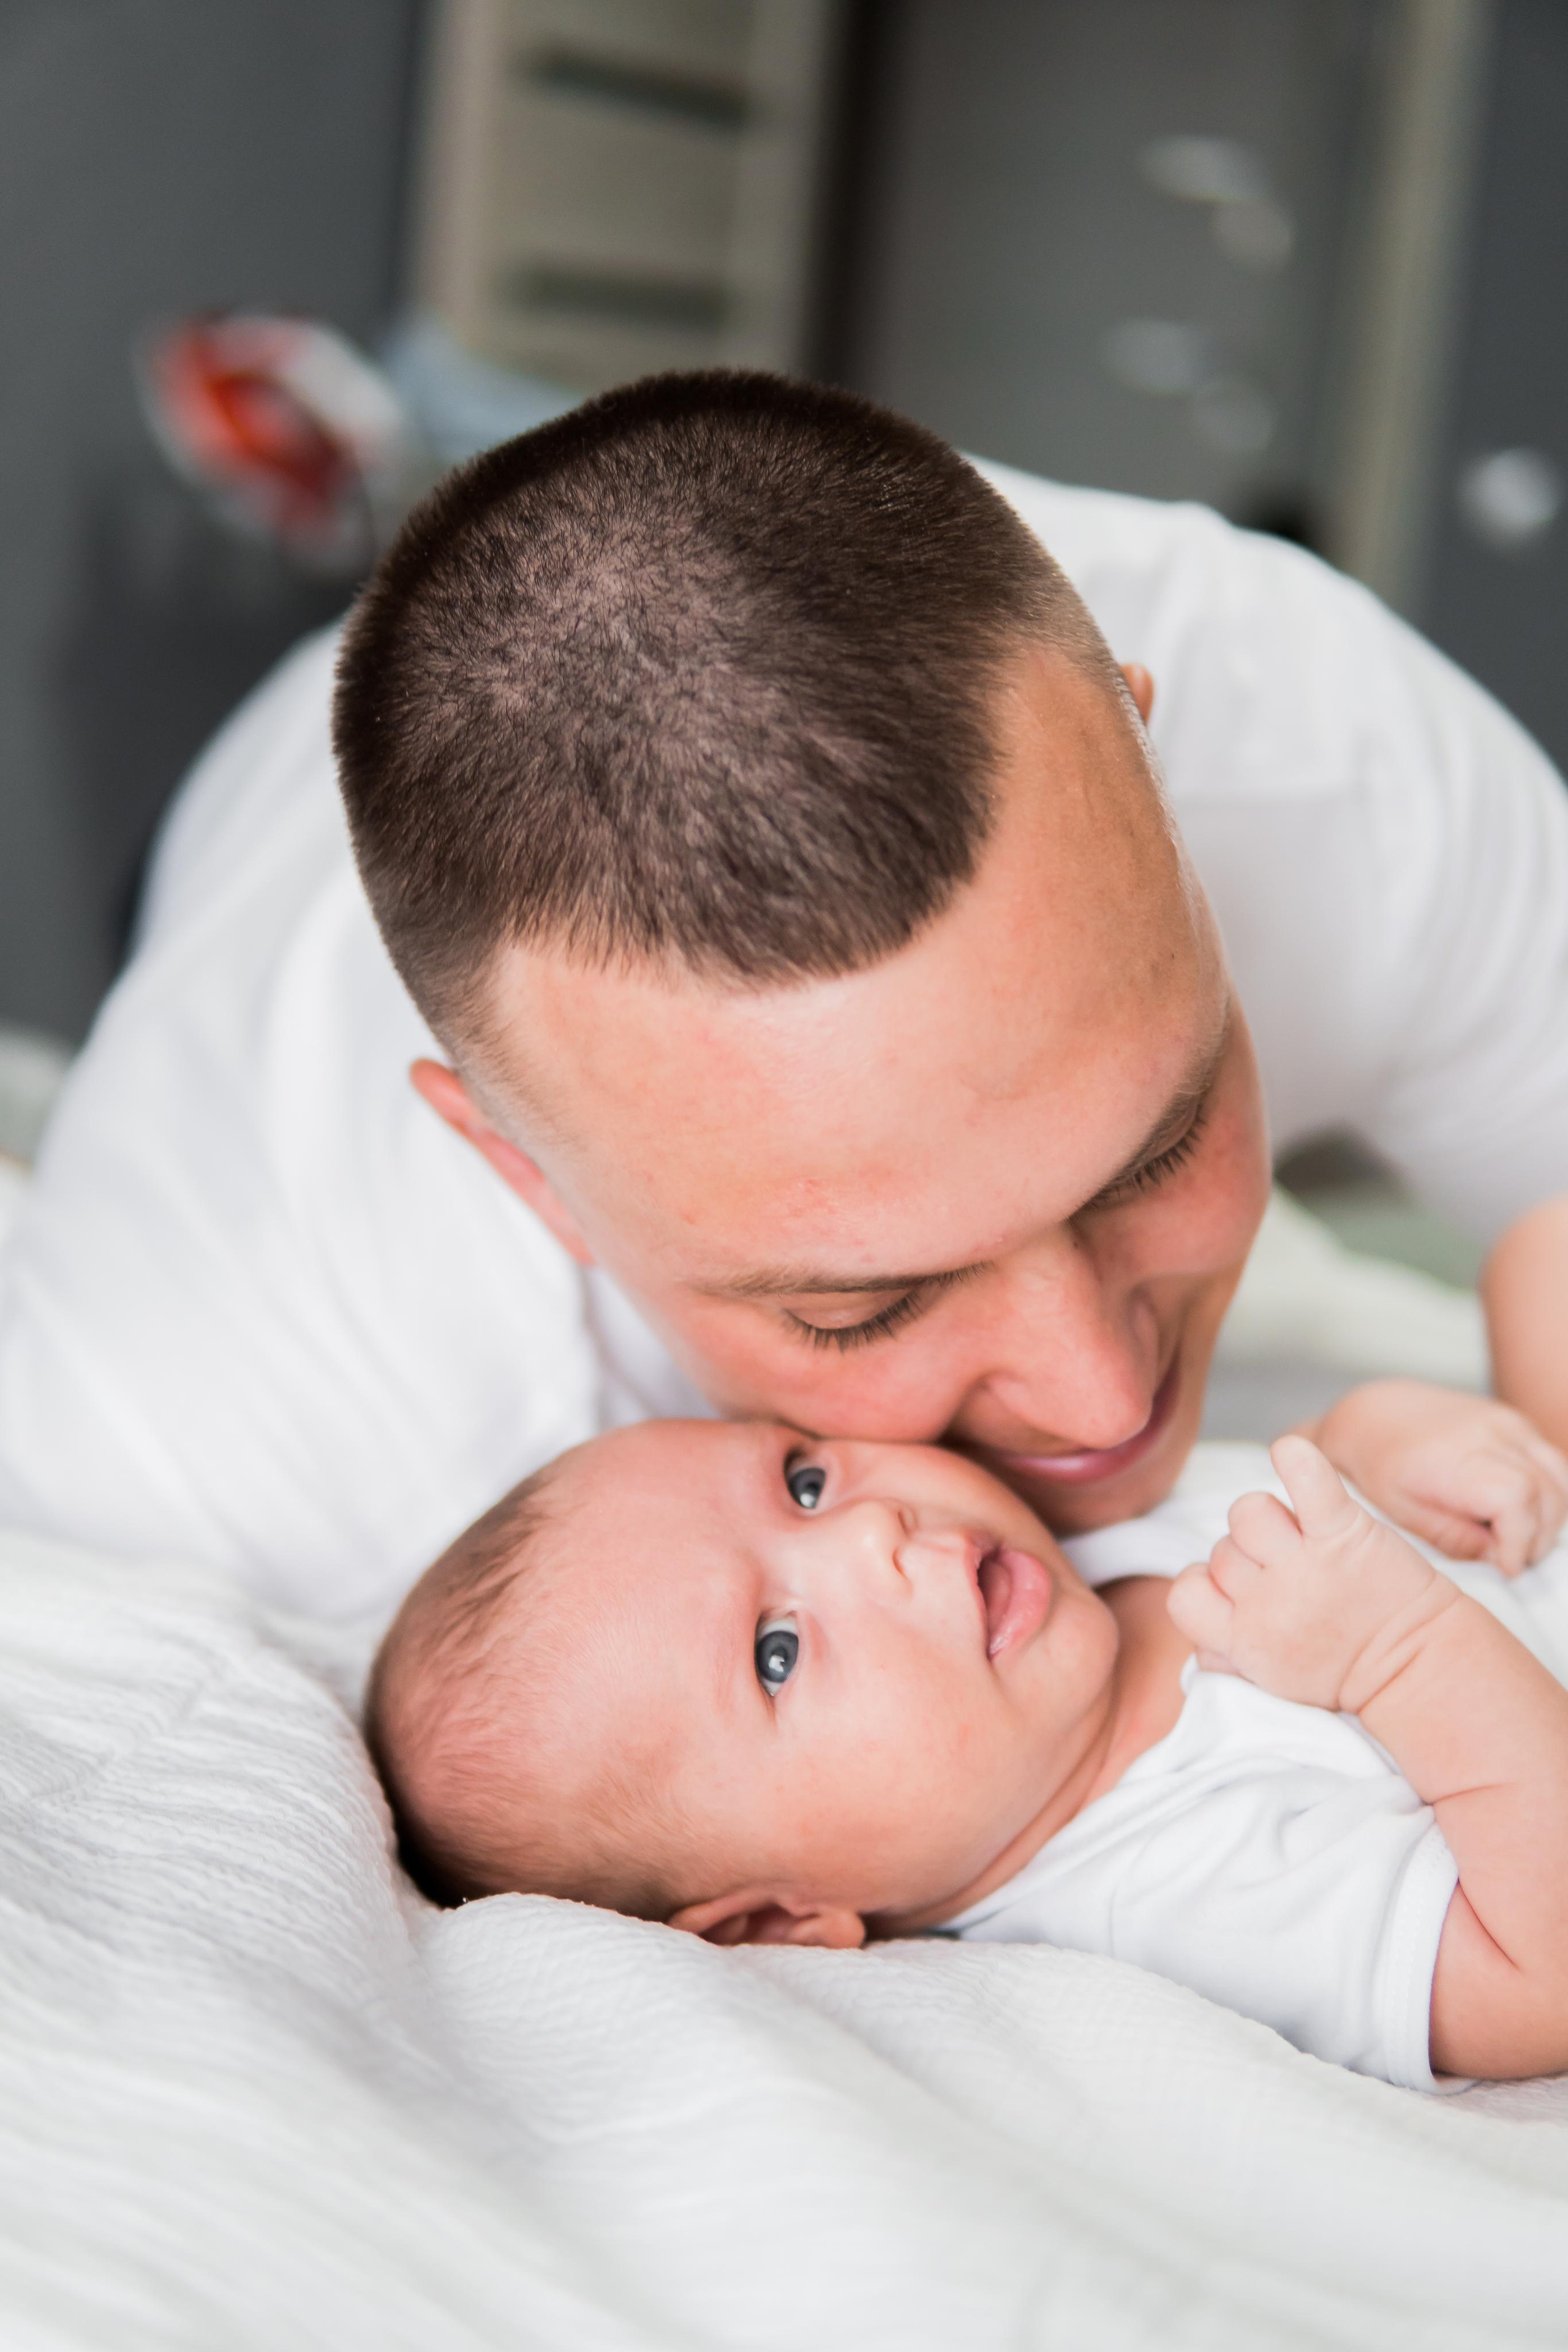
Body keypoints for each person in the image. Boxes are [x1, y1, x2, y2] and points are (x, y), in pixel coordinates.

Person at [1, 374, 1565, 1618]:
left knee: (569, 474)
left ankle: (446, 435)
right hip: (239, 828)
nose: (1099, 1389)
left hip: (706, 584)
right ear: (518, 1170)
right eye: (860, 1305)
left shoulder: (1327, 751)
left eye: (1154, 1150)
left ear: (1151, 766)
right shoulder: (230, 1445)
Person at [366, 1396, 1568, 2091]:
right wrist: (1401, 1654)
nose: (872, 1531)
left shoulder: (1080, 1550)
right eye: (773, 1652)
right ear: (777, 1924)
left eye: (799, 1480)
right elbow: (1543, 1969)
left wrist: (1366, 1450)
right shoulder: (1164, 1889)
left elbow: (1294, 1488)